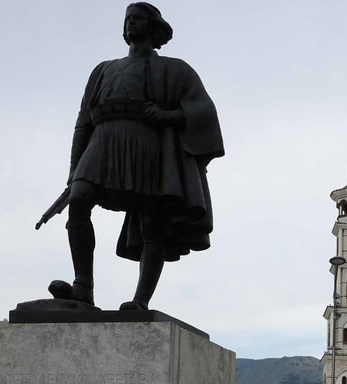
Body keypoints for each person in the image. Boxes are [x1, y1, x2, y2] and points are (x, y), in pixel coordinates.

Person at [50, 2, 224, 310]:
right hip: (103, 141)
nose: (131, 23)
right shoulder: (103, 70)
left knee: (150, 220)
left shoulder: (174, 68)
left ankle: (140, 300)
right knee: (78, 199)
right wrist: (74, 168)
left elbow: (204, 111)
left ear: (154, 29)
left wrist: (168, 115)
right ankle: (83, 287)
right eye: (128, 18)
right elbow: (83, 122)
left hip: (145, 146)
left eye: (139, 19)